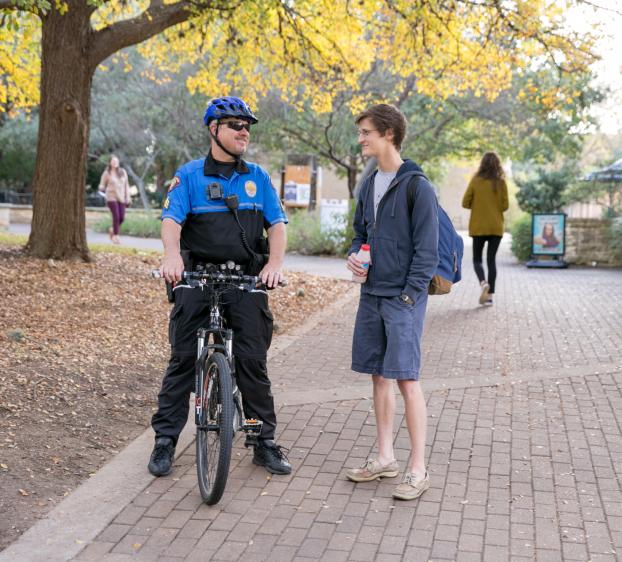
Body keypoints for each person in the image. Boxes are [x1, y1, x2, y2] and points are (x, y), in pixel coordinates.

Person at [148, 96, 291, 477]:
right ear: (214, 130)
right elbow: (171, 221)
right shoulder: (190, 175)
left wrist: (274, 265)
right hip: (197, 277)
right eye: (235, 125)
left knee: (252, 364)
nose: (244, 131)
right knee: (182, 359)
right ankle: (165, 440)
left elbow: (276, 225)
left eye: (247, 126)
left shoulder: (257, 177)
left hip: (245, 279)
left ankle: (262, 441)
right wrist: (171, 257)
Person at [345, 104, 439, 501]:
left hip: (402, 299)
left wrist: (408, 295)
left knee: (406, 379)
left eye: (366, 132)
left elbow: (427, 251)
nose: (361, 138)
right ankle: (386, 458)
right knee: (378, 376)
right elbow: (359, 233)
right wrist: (355, 255)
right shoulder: (369, 184)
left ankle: (418, 469)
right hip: (372, 294)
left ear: (388, 134)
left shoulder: (417, 186)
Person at [461, 152, 509, 306]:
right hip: (496, 227)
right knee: (491, 261)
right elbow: (505, 206)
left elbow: (465, 202)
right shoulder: (501, 182)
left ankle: (483, 283)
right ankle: (490, 297)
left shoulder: (476, 180)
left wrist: (478, 205)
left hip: (479, 226)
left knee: (477, 260)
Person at [98, 155, 131, 244]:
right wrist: (101, 187)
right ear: (110, 163)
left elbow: (126, 185)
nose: (115, 163)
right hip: (111, 197)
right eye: (113, 161)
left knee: (122, 218)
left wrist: (128, 197)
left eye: (116, 161)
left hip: (122, 197)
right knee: (116, 217)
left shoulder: (123, 172)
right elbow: (102, 184)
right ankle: (116, 237)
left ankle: (112, 229)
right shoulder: (107, 173)